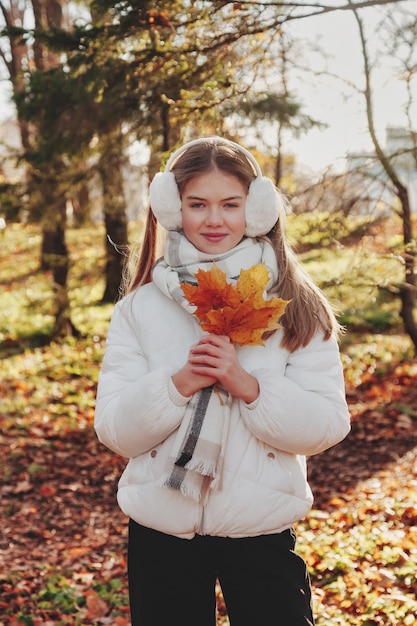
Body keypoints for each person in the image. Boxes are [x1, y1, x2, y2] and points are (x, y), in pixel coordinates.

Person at [94, 136, 351, 626]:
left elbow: (327, 423)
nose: (214, 220)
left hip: (261, 529)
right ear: (172, 209)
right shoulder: (139, 309)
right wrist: (178, 384)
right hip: (161, 531)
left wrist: (248, 386)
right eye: (198, 205)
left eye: (230, 204)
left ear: (256, 210)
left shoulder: (294, 306)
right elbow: (114, 430)